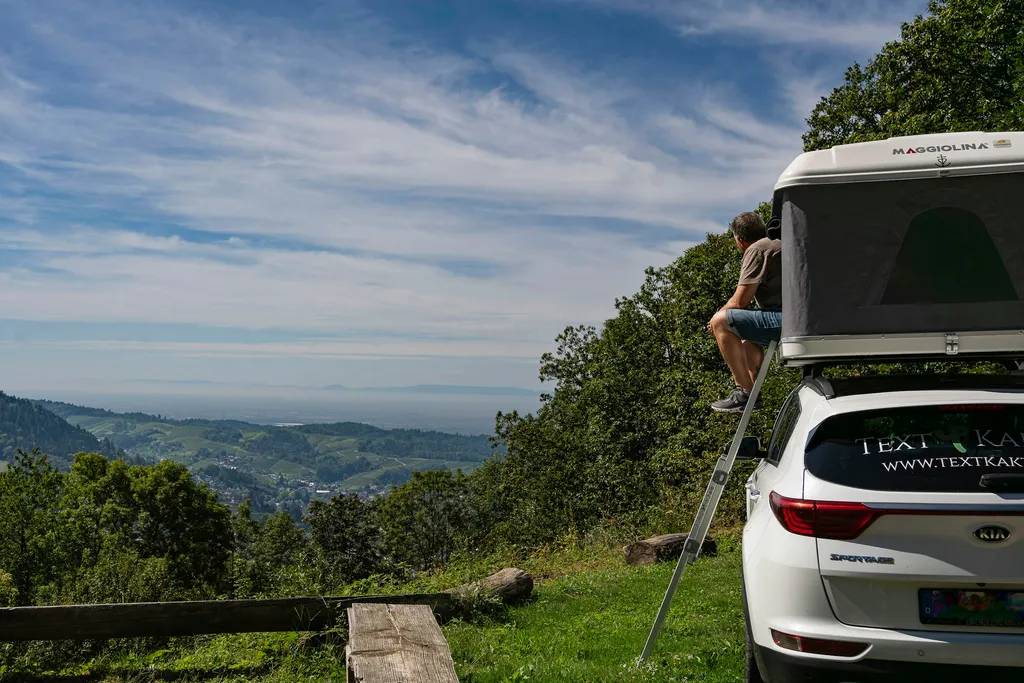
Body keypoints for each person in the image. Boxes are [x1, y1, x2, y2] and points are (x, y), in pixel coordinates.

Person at [706, 212, 782, 413]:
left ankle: (745, 393)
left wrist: (715, 321)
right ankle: (753, 393)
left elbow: (740, 301)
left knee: (722, 322)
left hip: (787, 320)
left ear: (739, 241)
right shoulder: (778, 243)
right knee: (747, 337)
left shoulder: (757, 249)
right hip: (801, 318)